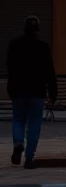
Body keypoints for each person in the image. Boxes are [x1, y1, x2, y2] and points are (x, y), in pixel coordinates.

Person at [7, 16, 57, 168]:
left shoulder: (14, 45)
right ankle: (29, 158)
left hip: (18, 91)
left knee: (18, 119)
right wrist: (53, 93)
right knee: (35, 122)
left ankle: (18, 143)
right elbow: (50, 71)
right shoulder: (43, 46)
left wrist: (10, 88)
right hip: (37, 92)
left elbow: (10, 67)